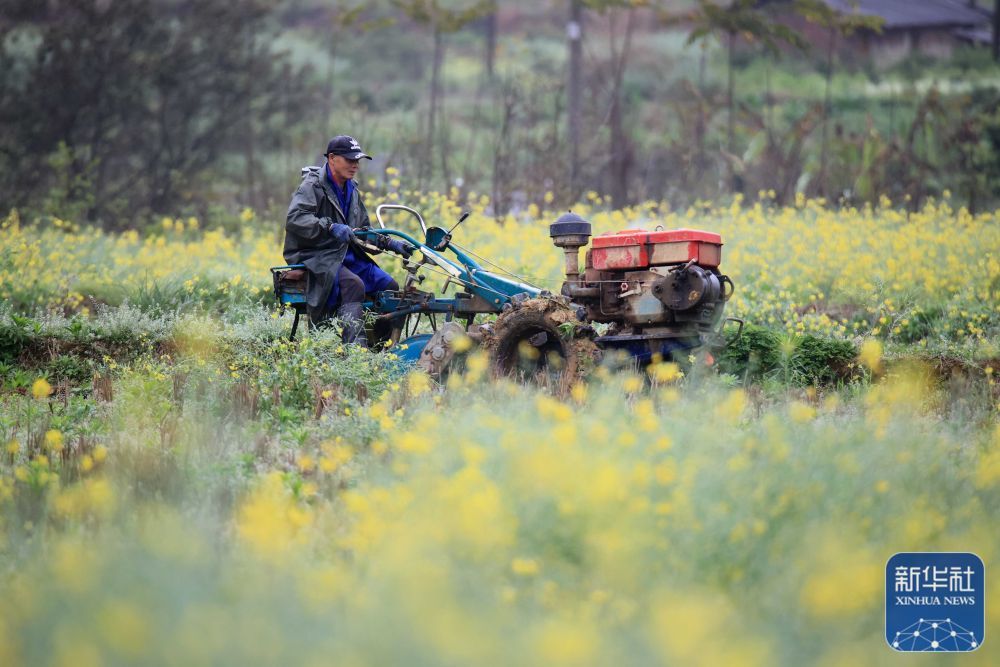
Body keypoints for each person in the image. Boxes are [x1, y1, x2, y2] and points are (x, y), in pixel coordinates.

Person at [283, 135, 412, 346]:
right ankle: (355, 352)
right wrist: (330, 227)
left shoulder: (352, 190)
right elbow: (295, 219)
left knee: (390, 287)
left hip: (345, 255)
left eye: (357, 161)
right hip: (316, 255)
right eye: (349, 160)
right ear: (332, 158)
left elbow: (362, 230)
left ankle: (380, 348)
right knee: (354, 285)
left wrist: (389, 243)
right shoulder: (312, 186)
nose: (355, 165)